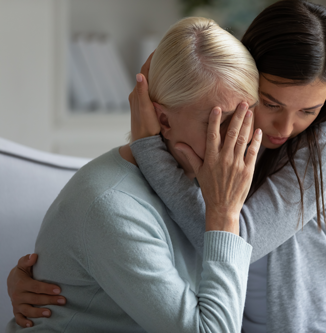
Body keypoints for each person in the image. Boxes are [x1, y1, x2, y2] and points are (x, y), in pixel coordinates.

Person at [7, 1, 326, 332]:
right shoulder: (207, 152)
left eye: (308, 110)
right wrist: (54, 276)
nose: (284, 128)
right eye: (269, 103)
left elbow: (233, 238)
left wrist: (149, 147)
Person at [5, 17, 262, 332]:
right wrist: (223, 213)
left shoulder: (206, 177)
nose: (242, 138)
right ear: (162, 120)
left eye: (247, 117)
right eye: (222, 123)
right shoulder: (110, 206)